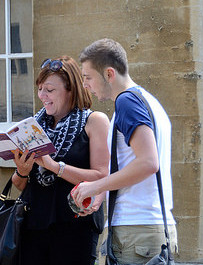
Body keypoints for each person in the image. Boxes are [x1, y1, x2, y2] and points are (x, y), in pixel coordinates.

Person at [72, 38, 179, 264]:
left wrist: (96, 185)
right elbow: (137, 162)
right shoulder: (148, 100)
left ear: (109, 74)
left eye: (88, 77)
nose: (85, 85)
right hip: (148, 229)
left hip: (136, 231)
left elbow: (149, 162)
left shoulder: (126, 102)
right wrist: (101, 194)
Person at [11, 55, 110, 264]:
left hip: (75, 228)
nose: (42, 96)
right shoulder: (34, 126)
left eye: (50, 90)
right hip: (33, 227)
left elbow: (102, 177)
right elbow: (20, 185)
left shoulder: (94, 121)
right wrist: (22, 170)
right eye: (40, 89)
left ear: (71, 89)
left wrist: (55, 167)